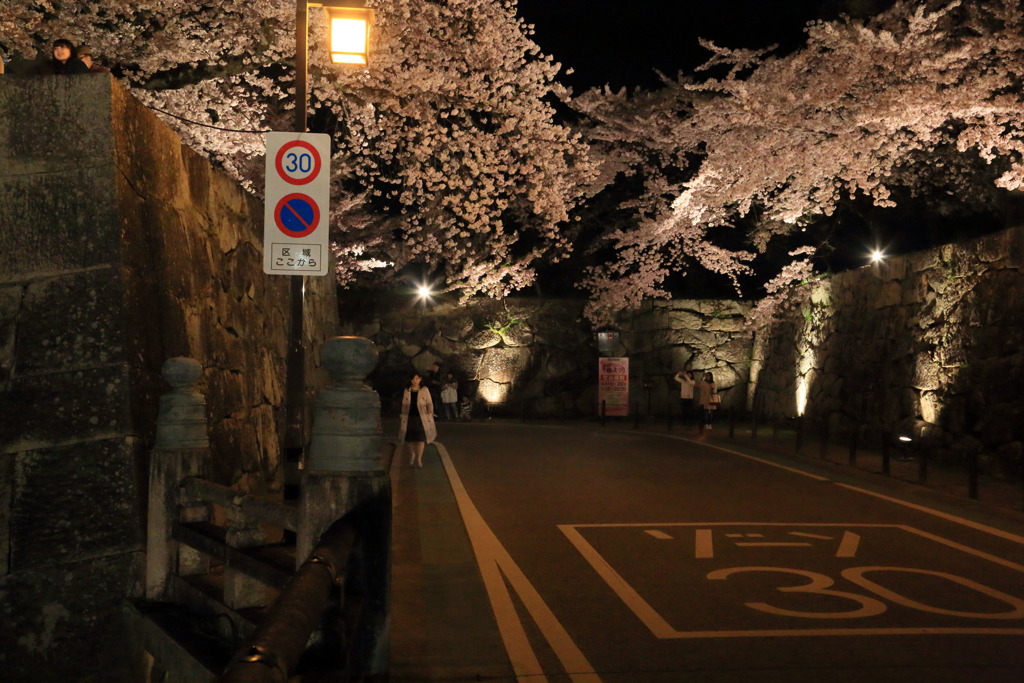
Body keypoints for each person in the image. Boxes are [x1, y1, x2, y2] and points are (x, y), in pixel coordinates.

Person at [397, 373, 436, 468]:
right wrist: (402, 415)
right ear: (411, 380)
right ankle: (412, 454)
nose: (415, 381)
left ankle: (419, 459)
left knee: (420, 439)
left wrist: (430, 412)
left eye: (417, 379)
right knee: (410, 439)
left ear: (420, 379)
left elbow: (429, 402)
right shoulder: (407, 390)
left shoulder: (424, 390)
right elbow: (404, 404)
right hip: (409, 417)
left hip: (421, 417)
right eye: (413, 379)